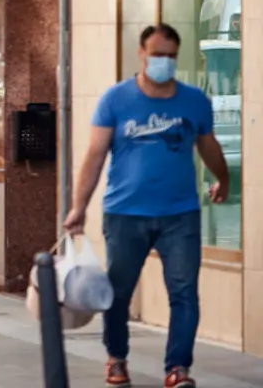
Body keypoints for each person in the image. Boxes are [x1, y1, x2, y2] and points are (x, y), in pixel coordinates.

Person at [64, 23, 230, 388]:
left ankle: (178, 368)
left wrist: (224, 177)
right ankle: (116, 358)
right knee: (118, 292)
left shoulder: (194, 101)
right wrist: (79, 207)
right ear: (141, 54)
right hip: (126, 214)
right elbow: (94, 156)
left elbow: (208, 145)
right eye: (157, 54)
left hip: (180, 215)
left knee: (184, 293)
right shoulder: (116, 99)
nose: (164, 62)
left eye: (171, 56)